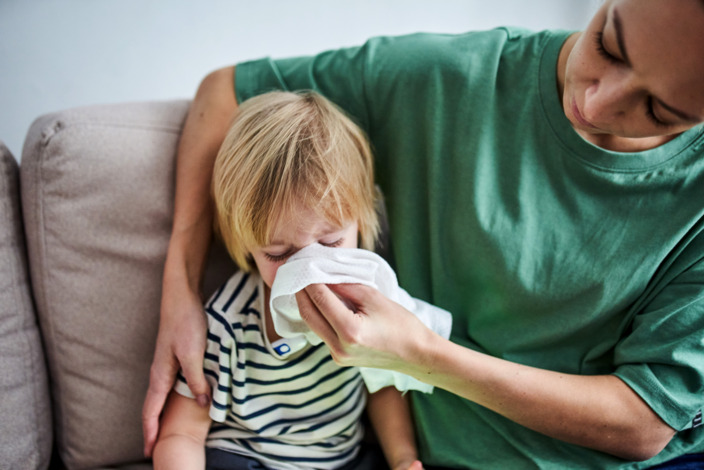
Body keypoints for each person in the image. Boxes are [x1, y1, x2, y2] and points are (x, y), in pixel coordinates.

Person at [143, 0, 704, 467]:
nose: (595, 103)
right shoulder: (449, 77)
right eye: (608, 44)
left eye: (658, 108)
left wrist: (418, 356)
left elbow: (644, 424)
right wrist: (178, 290)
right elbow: (225, 90)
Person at [152, 90, 423, 470]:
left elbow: (382, 388)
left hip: (342, 459)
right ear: (246, 244)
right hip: (249, 458)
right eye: (279, 254)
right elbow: (182, 434)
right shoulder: (227, 324)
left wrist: (403, 458)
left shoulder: (368, 301)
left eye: (330, 243)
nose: (308, 269)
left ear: (360, 223)